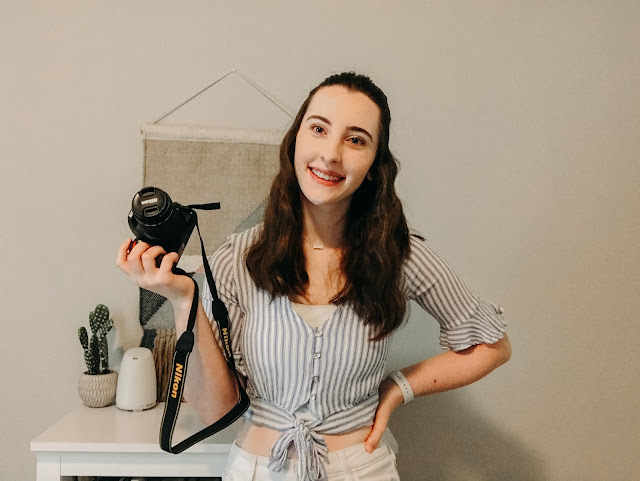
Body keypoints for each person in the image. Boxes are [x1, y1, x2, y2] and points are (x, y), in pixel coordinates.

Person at [117, 71, 511, 481]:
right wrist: (185, 299)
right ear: (295, 141)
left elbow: (493, 346)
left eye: (356, 139)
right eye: (319, 129)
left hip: (362, 470)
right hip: (256, 471)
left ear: (375, 165)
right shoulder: (239, 258)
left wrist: (398, 388)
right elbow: (216, 408)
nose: (331, 154)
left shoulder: (398, 254)